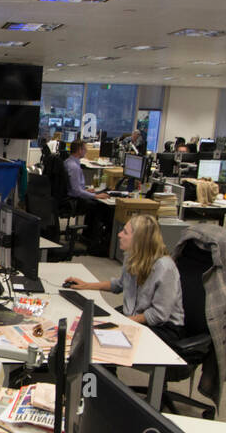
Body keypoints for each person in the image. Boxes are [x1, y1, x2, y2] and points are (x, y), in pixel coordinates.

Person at [62, 214, 183, 348]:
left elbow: (158, 315)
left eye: (125, 232)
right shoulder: (132, 256)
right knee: (91, 329)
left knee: (102, 341)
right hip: (136, 315)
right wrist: (86, 285)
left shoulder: (165, 268)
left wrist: (123, 322)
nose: (119, 234)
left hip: (163, 327)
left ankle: (107, 368)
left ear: (139, 240)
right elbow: (120, 284)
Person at [63, 138, 113, 255]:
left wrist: (87, 190)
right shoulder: (74, 167)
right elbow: (76, 191)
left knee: (96, 204)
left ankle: (88, 236)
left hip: (73, 196)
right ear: (79, 150)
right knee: (102, 208)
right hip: (74, 199)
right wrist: (95, 196)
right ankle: (95, 241)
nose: (86, 152)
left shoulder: (68, 162)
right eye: (85, 149)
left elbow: (75, 187)